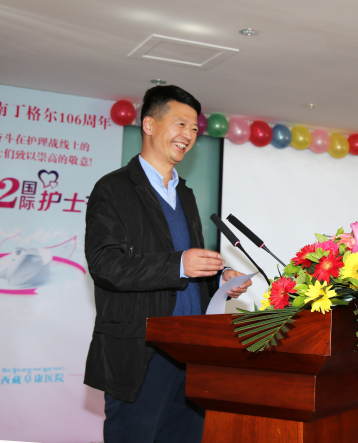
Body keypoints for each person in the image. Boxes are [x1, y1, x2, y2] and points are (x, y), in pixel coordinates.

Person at [83, 85, 251, 443]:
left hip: (191, 351)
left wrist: (220, 278)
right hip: (143, 351)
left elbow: (185, 264)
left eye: (194, 129)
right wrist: (179, 264)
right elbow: (106, 265)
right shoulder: (113, 190)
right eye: (180, 124)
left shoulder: (184, 194)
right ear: (149, 125)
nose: (188, 135)